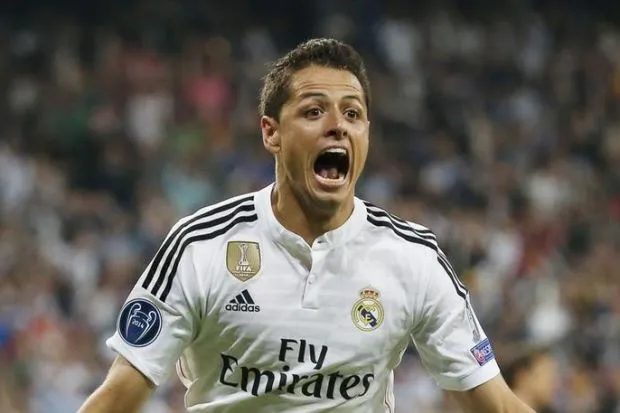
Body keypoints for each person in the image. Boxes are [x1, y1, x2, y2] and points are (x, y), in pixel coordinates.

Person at [78, 38, 536, 413]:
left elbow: (496, 404)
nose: (338, 126)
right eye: (314, 111)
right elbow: (119, 396)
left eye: (352, 114)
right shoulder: (200, 245)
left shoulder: (413, 257)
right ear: (271, 132)